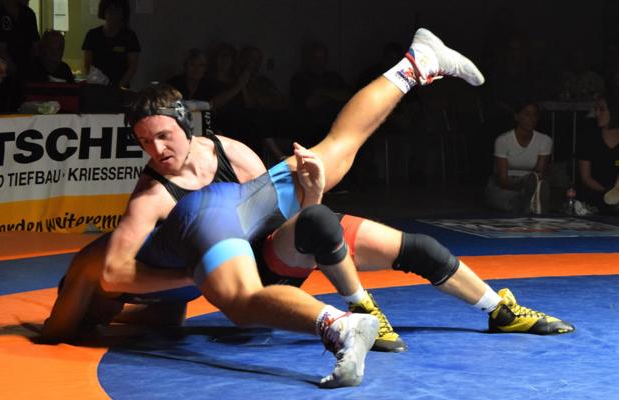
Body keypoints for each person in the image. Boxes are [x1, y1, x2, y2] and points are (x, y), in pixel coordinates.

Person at [41, 28, 571, 384]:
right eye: (145, 143)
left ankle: (417, 65)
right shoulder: (152, 196)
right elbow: (113, 276)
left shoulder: (228, 153)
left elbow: (280, 224)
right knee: (250, 283)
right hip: (236, 257)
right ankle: (353, 313)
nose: (157, 150)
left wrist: (312, 192)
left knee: (334, 160)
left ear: (188, 125)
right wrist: (186, 278)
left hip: (256, 245)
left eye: (163, 137)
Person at [485, 98, 552, 214]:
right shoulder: (503, 140)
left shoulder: (544, 140)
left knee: (533, 186)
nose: (531, 119)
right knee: (505, 198)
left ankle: (528, 201)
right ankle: (527, 203)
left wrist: (530, 184)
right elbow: (503, 180)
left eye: (534, 115)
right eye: (527, 115)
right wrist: (522, 184)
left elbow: (539, 174)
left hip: (530, 184)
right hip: (505, 185)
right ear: (517, 117)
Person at [577, 93, 619, 213]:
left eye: (602, 110)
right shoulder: (589, 137)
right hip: (594, 198)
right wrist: (607, 192)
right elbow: (586, 177)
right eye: (596, 109)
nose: (597, 113)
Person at [82, 0, 140, 88]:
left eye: (117, 10)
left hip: (120, 88)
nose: (113, 14)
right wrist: (96, 82)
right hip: (97, 86)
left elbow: (132, 66)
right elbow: (87, 64)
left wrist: (118, 87)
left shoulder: (129, 36)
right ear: (104, 12)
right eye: (110, 10)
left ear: (123, 13)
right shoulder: (93, 35)